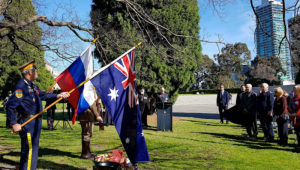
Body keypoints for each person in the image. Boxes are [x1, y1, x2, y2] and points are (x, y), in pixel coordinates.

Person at [5, 61, 70, 170]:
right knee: (30, 150)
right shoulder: (22, 86)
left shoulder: (32, 86)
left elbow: (43, 95)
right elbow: (10, 105)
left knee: (31, 150)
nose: (37, 72)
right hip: (28, 123)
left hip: (35, 122)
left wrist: (58, 95)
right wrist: (13, 123)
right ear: (30, 72)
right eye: (35, 70)